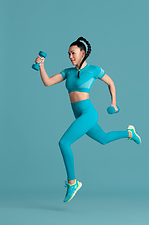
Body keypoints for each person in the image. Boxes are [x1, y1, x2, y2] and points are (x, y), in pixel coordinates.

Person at [35, 37, 141, 203]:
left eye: (73, 53)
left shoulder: (94, 70)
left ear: (83, 53)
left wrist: (113, 103)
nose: (70, 56)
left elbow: (111, 83)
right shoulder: (68, 72)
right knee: (104, 139)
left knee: (64, 143)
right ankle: (129, 133)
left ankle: (73, 182)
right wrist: (41, 65)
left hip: (88, 113)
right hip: (78, 114)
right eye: (69, 54)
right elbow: (47, 82)